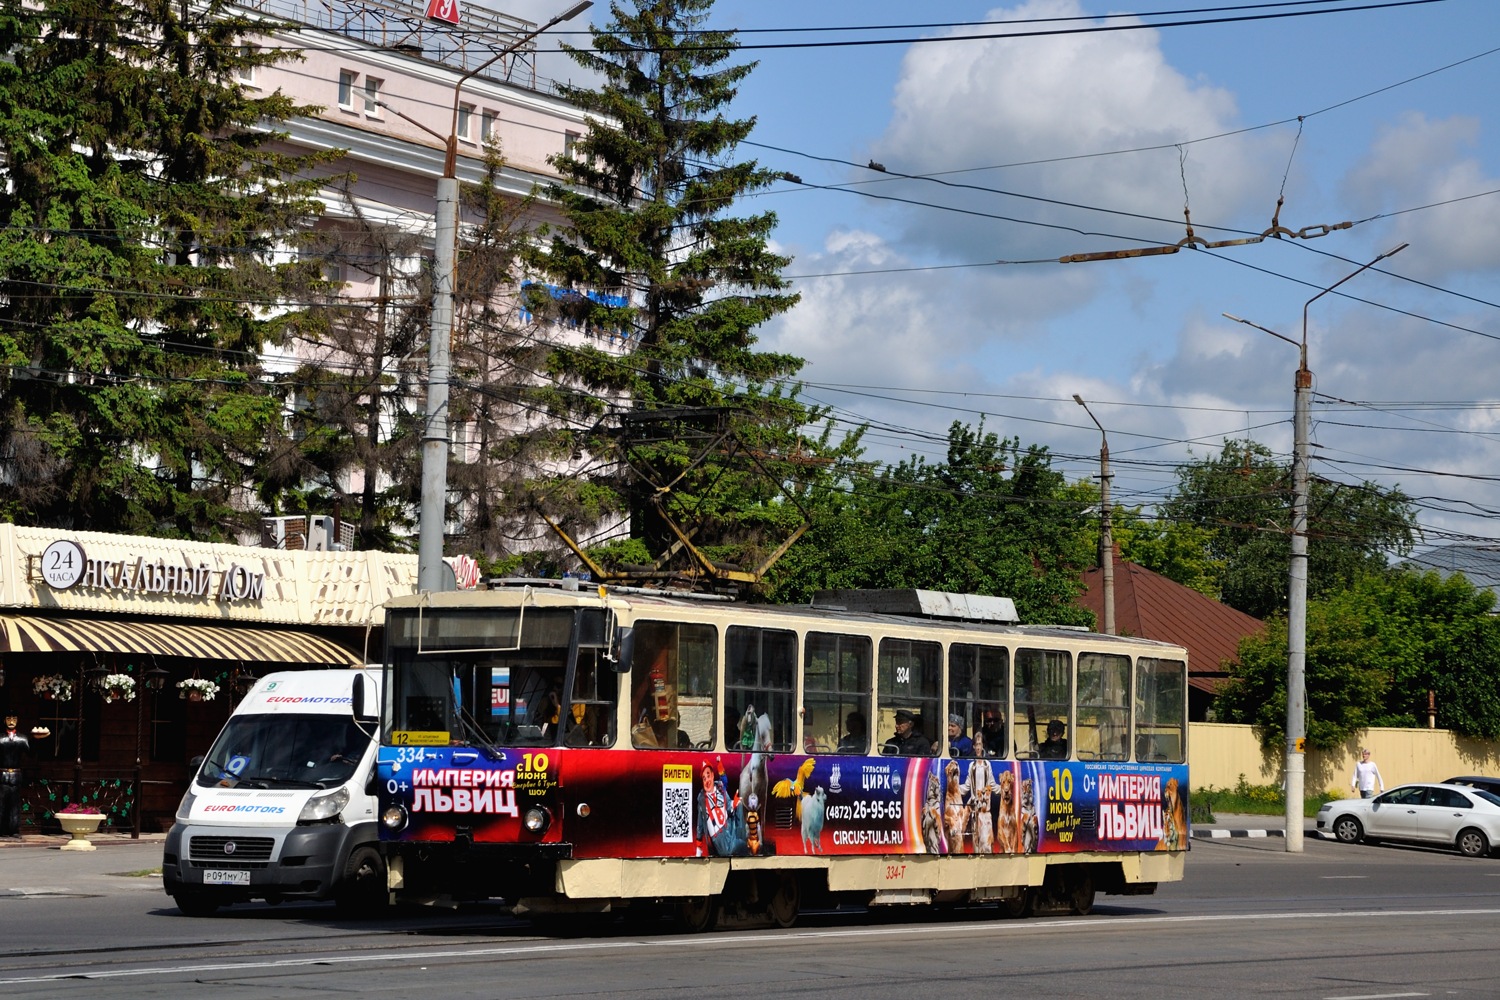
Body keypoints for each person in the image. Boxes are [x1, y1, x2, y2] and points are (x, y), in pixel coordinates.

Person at [0, 716, 29, 837]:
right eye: (8, 719)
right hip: (2, 774)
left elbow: (31, 753)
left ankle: (14, 830)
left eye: (14, 719)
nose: (11, 722)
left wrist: (37, 740)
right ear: (4, 721)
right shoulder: (1, 738)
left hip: (16, 775)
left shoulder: (22, 738)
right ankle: (1, 830)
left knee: (15, 805)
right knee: (1, 804)